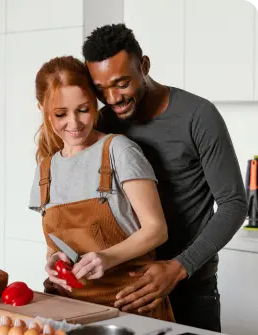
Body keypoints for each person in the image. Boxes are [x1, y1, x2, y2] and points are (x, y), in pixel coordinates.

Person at [81, 23, 248, 332]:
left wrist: (178, 268)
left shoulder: (198, 115)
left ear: (144, 65)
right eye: (101, 89)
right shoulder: (105, 123)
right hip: (125, 289)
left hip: (190, 287)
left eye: (121, 83)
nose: (113, 97)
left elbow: (234, 204)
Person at [28, 55, 174, 321]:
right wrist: (53, 260)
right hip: (67, 309)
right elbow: (54, 244)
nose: (74, 123)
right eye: (60, 114)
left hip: (129, 307)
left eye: (83, 109)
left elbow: (157, 229)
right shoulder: (45, 169)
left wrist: (106, 258)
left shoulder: (119, 150)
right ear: (42, 109)